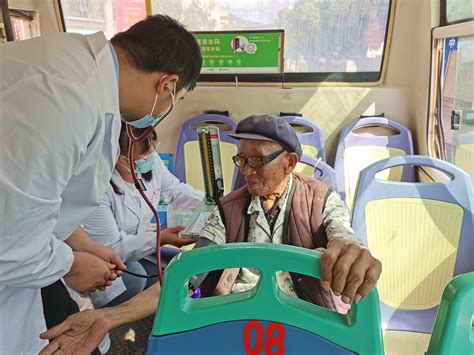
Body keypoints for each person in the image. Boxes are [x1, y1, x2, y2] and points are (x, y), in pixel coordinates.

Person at [39, 116, 382, 355]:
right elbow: (188, 278)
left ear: (290, 163)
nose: (246, 171)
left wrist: (351, 253)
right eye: (241, 160)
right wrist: (108, 317)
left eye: (257, 161)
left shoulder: (319, 199)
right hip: (236, 316)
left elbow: (343, 235)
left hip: (305, 319)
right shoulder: (229, 209)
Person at [0, 14, 202, 354]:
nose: (164, 112)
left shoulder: (81, 73)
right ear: (166, 85)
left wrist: (83, 245)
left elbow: (41, 201)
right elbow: (10, 244)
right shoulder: (67, 100)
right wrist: (72, 264)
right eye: (175, 101)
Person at [83, 123, 204, 308]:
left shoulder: (151, 162)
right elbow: (113, 249)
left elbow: (174, 190)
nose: (150, 160)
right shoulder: (97, 190)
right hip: (103, 257)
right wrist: (160, 238)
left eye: (152, 151)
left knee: (166, 274)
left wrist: (212, 202)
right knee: (135, 280)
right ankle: (110, 314)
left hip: (136, 249)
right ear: (116, 157)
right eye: (142, 157)